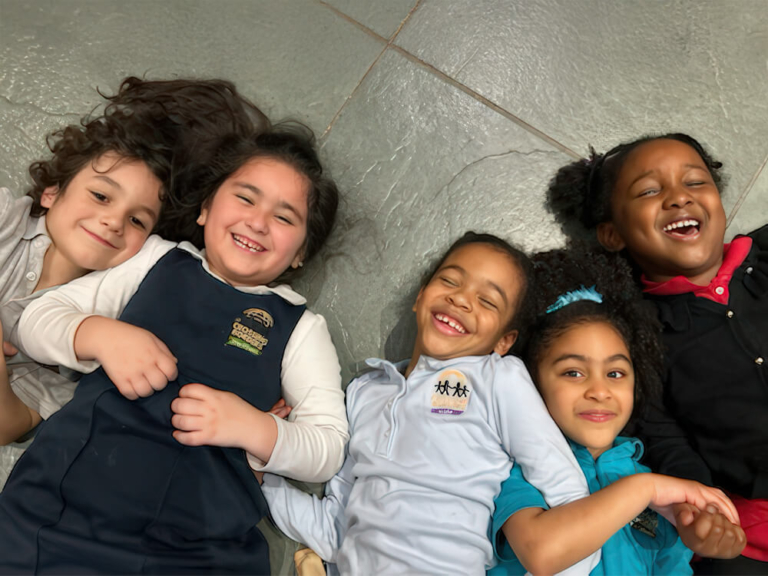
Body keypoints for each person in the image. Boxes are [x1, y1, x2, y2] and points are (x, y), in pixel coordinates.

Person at [0, 123, 348, 574]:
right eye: (245, 198)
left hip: (198, 544)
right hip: (62, 510)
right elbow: (35, 318)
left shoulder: (300, 327)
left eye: (284, 218)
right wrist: (100, 335)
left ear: (301, 253)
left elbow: (327, 449)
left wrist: (254, 429)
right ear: (205, 209)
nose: (258, 222)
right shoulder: (155, 260)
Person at [263, 231, 607, 575]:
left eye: (488, 301)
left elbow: (568, 497)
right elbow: (336, 530)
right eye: (450, 281)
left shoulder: (497, 379)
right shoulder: (365, 391)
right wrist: (264, 476)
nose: (461, 300)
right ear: (420, 296)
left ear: (504, 341)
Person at [0, 76, 266, 445]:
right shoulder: (7, 221)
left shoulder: (95, 335)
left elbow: (8, 426)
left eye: (137, 220)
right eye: (100, 195)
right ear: (52, 191)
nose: (113, 221)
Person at [546, 133, 767, 573]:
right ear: (612, 233)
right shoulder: (636, 336)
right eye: (649, 191)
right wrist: (701, 509)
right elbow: (666, 440)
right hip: (751, 529)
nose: (678, 198)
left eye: (695, 183)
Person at [490, 247, 744, 575]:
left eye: (615, 374)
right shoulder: (512, 471)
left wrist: (705, 537)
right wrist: (645, 489)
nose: (599, 391)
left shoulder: (663, 495)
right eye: (573, 372)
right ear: (531, 382)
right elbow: (541, 553)